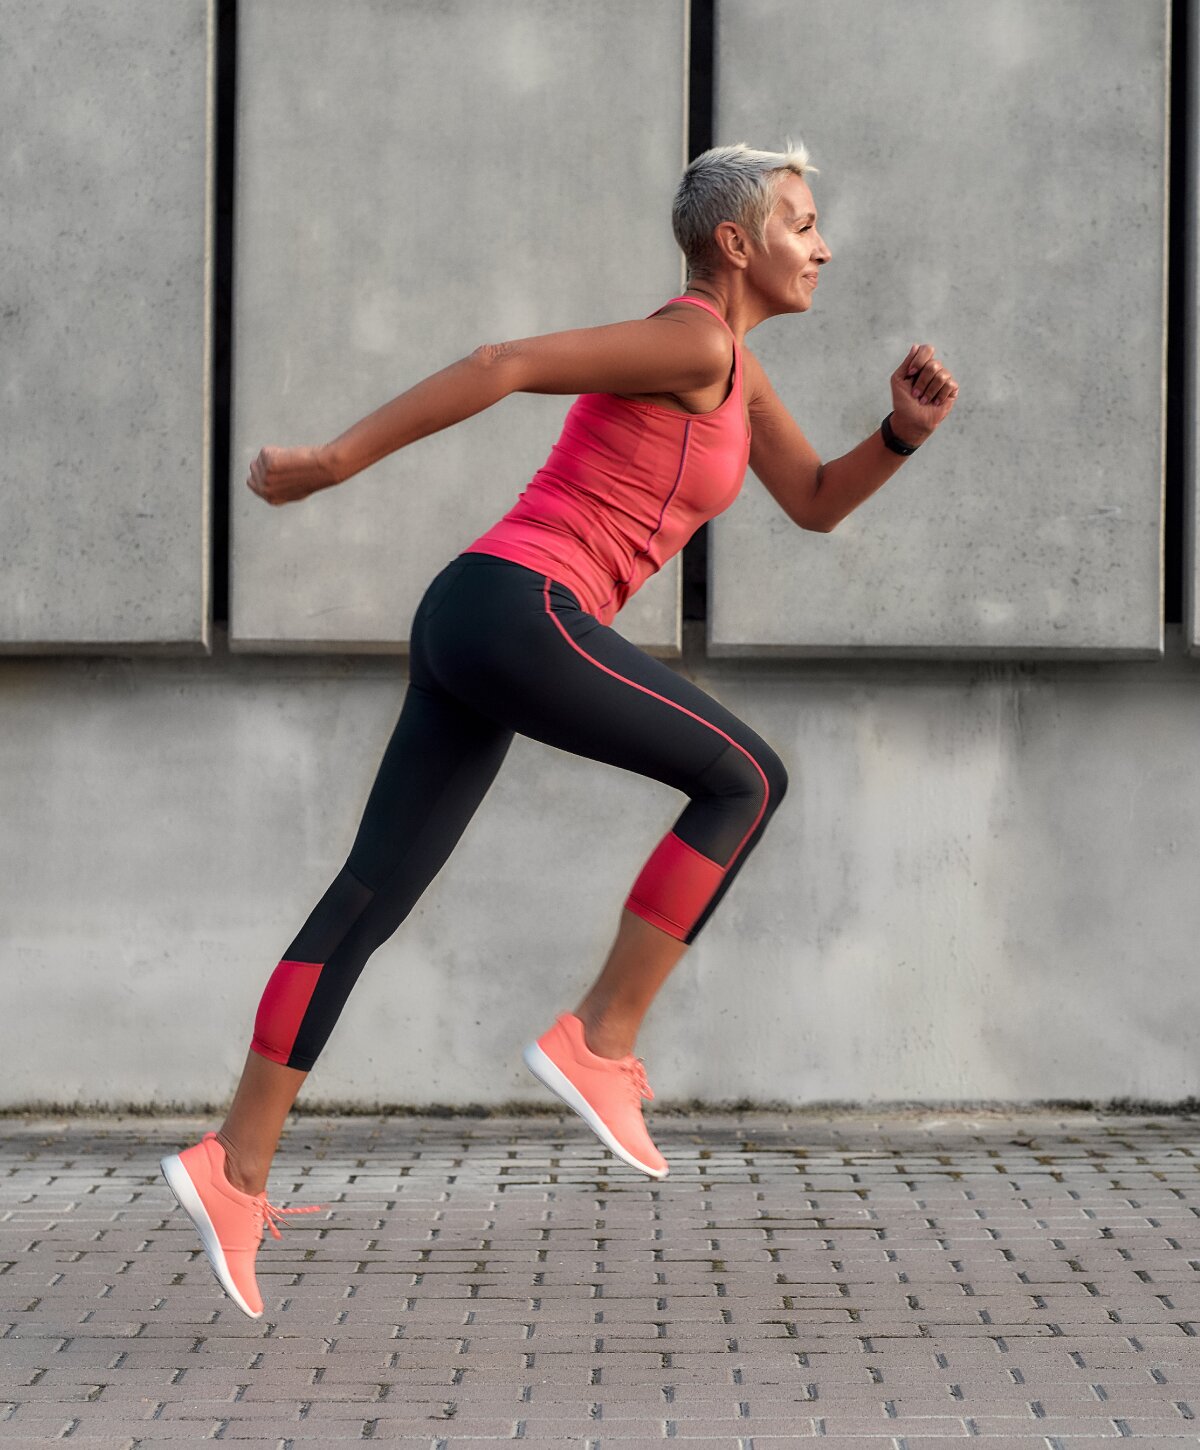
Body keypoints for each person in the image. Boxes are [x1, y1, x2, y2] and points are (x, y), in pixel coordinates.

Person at [160, 143, 959, 1318]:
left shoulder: (735, 371)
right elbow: (506, 361)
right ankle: (600, 1036)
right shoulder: (692, 337)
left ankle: (234, 1168)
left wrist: (897, 437)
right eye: (801, 223)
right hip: (521, 607)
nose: (824, 245)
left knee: (366, 900)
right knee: (746, 777)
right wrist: (331, 463)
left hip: (474, 618)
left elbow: (816, 501)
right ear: (735, 243)